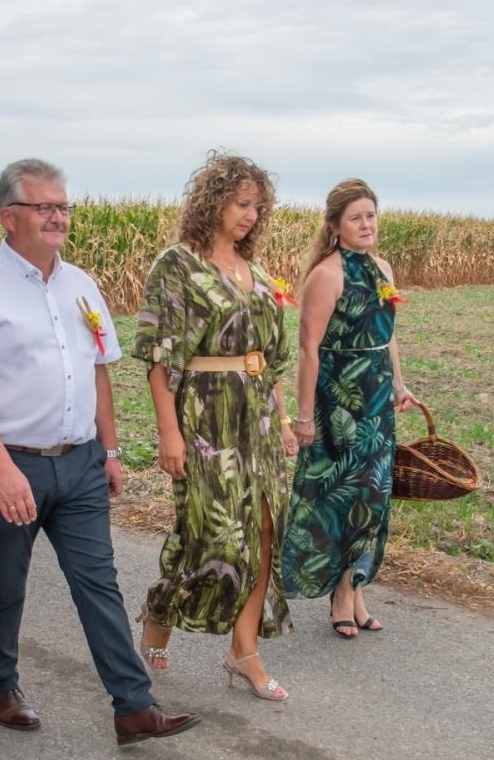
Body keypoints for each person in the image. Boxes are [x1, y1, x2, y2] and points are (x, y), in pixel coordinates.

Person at [0, 158, 198, 746]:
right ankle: (0, 683)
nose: (58, 217)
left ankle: (133, 706)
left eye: (63, 206)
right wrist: (0, 471)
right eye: (44, 207)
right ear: (8, 217)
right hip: (12, 461)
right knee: (5, 581)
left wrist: (110, 449)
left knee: (98, 581)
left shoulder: (81, 284)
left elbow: (98, 370)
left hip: (79, 461)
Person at [132, 153, 296, 701]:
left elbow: (268, 357)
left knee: (264, 529)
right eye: (241, 203)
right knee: (211, 535)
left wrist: (284, 420)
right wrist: (168, 433)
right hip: (205, 417)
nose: (250, 215)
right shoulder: (177, 265)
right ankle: (160, 612)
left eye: (258, 206)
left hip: (259, 421)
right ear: (212, 201)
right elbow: (161, 356)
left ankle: (243, 651)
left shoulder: (259, 274)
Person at [281, 179, 420, 636]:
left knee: (374, 496)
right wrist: (304, 417)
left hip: (377, 398)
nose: (367, 224)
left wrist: (400, 385)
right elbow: (308, 349)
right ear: (336, 225)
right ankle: (342, 593)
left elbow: (386, 333)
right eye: (356, 217)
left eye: (371, 215)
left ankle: (354, 587)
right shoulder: (327, 274)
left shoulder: (383, 268)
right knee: (345, 495)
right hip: (340, 400)